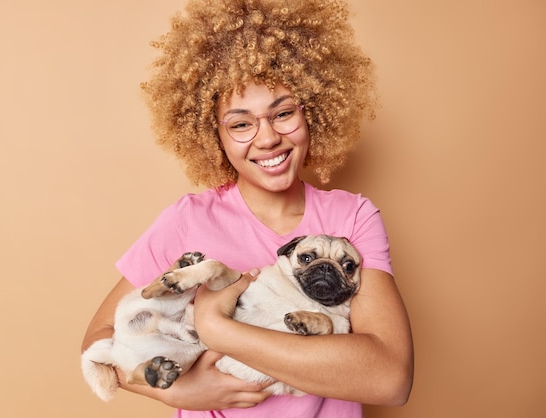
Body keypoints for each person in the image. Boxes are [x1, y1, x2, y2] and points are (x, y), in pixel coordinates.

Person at [81, 0, 414, 417]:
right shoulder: (188, 220)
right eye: (241, 123)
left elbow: (390, 378)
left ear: (313, 112)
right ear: (212, 135)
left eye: (284, 113)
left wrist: (219, 329)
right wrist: (174, 393)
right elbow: (99, 338)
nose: (268, 138)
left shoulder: (352, 217)